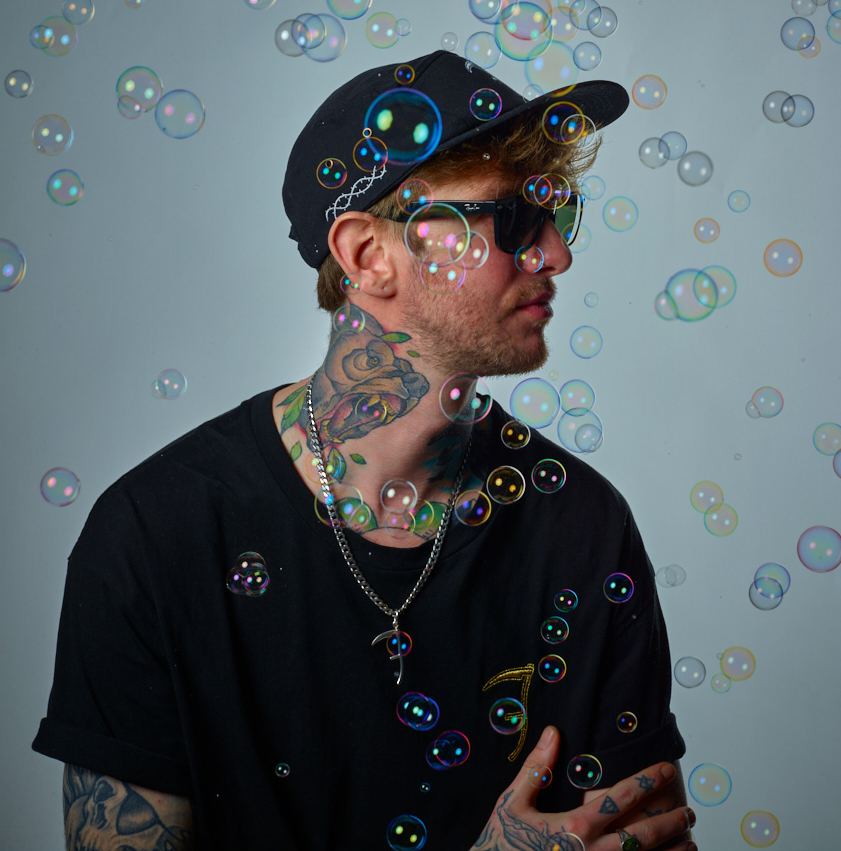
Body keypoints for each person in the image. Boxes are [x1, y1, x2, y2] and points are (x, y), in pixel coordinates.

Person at [34, 51, 695, 851]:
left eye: (558, 213)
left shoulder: (583, 528)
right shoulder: (155, 535)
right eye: (515, 219)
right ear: (368, 256)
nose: (555, 253)